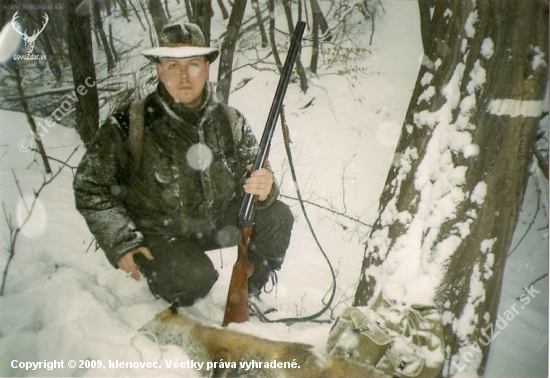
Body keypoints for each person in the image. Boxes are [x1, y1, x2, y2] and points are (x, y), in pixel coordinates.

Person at [73, 22, 294, 307]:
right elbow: (89, 186)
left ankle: (248, 294)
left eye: (193, 64)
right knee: (193, 281)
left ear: (207, 68)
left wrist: (266, 188)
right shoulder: (130, 123)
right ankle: (170, 282)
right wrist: (121, 241)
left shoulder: (231, 120)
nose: (184, 77)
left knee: (277, 216)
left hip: (216, 223)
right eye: (173, 65)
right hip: (161, 234)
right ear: (159, 69)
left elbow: (259, 173)